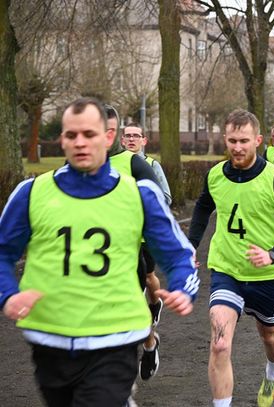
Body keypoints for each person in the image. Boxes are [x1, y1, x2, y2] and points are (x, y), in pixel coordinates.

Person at [0, 97, 199, 407]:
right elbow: (2, 253)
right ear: (62, 139)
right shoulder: (31, 193)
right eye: (71, 135)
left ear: (108, 137)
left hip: (115, 338)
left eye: (89, 134)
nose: (80, 142)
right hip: (50, 340)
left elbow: (178, 255)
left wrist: (184, 287)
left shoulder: (139, 195)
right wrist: (8, 294)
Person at [188, 109, 274, 407]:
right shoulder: (215, 175)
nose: (237, 147)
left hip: (267, 277)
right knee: (219, 345)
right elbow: (204, 207)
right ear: (225, 139)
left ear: (257, 140)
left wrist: (273, 254)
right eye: (232, 140)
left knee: (269, 335)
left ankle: (272, 372)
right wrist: (190, 246)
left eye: (244, 140)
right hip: (227, 270)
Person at [121, 122, 172, 380]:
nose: (131, 139)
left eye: (135, 136)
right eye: (127, 136)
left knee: (149, 278)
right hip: (120, 242)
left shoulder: (152, 167)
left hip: (144, 238)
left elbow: (166, 197)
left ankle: (153, 316)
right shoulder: (111, 166)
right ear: (121, 140)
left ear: (144, 141)